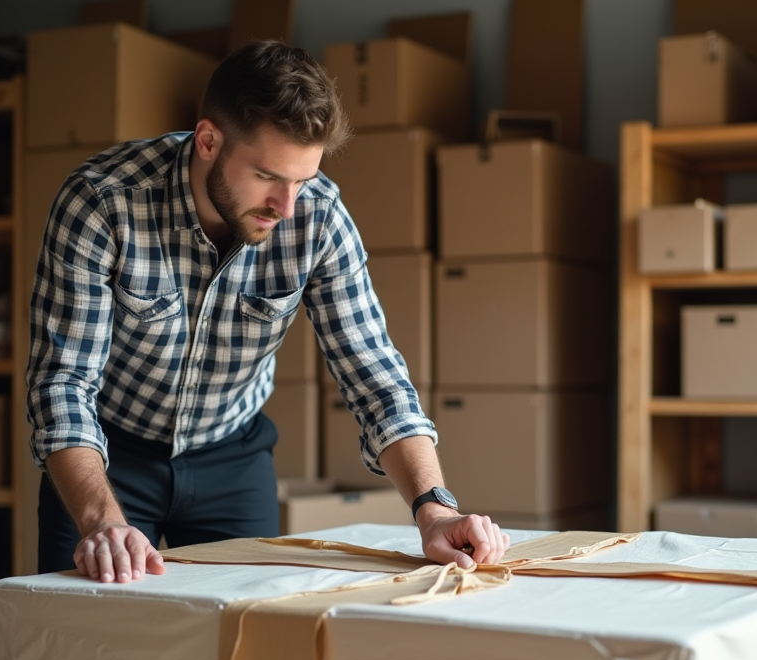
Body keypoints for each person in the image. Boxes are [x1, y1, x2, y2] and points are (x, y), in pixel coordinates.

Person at [26, 40, 507, 583]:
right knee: (80, 643)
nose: (287, 206)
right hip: (108, 456)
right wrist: (101, 520)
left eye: (302, 179)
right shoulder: (102, 202)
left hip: (232, 457)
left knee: (246, 644)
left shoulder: (318, 218)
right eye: (268, 177)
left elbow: (374, 374)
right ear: (208, 140)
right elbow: (62, 384)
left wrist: (434, 507)